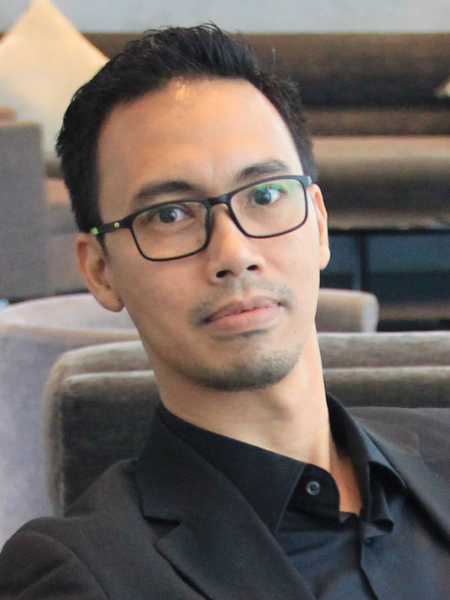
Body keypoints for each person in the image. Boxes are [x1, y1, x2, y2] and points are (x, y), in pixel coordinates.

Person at [1, 24, 450, 600]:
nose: (234, 253)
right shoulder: (80, 574)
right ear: (100, 271)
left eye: (265, 195)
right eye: (170, 215)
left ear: (317, 224)